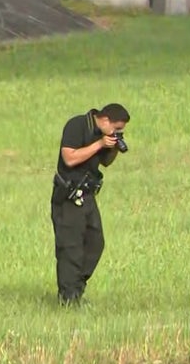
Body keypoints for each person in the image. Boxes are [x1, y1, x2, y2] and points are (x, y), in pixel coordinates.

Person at [51, 103, 131, 305]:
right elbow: (69, 158)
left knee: (95, 243)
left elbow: (105, 163)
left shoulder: (104, 136)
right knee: (71, 248)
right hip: (68, 196)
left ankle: (76, 289)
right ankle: (68, 298)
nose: (117, 132)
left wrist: (112, 149)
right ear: (105, 120)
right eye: (116, 128)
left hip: (88, 195)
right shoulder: (77, 125)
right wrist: (99, 144)